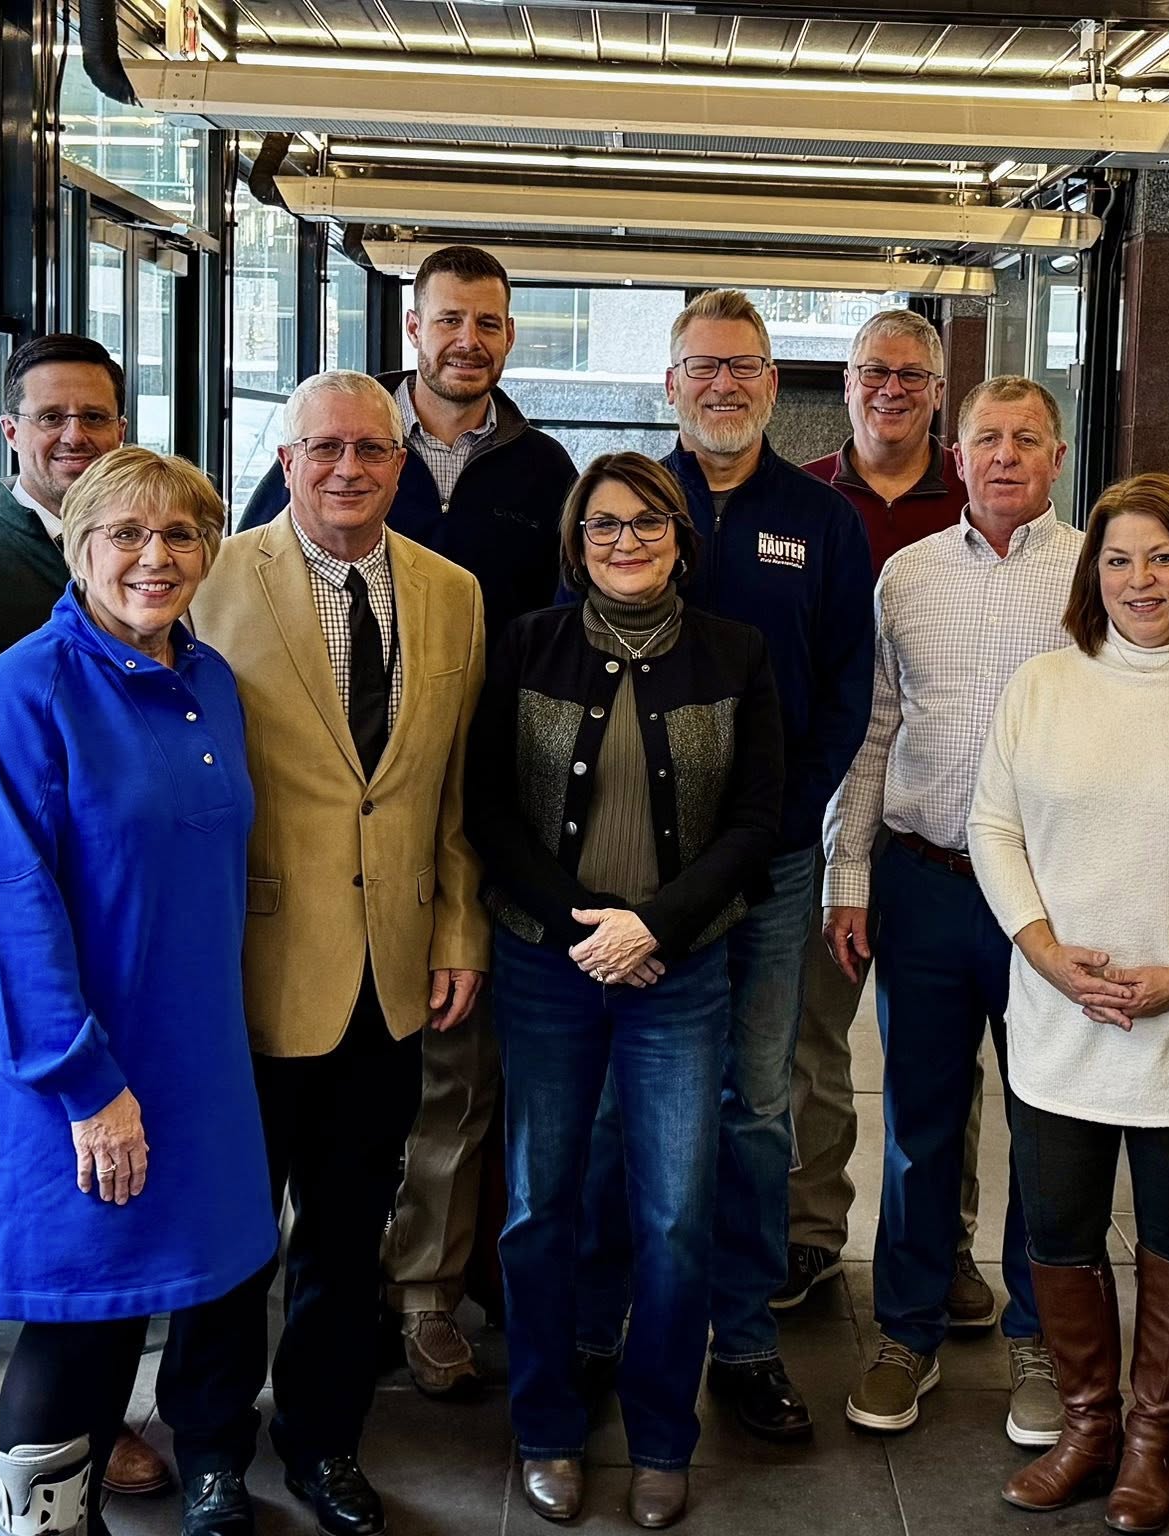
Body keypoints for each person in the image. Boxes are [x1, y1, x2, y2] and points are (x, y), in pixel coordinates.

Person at [247, 246, 576, 1398]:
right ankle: (249, 1375)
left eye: (488, 321)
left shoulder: (535, 480)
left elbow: (538, 660)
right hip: (286, 899)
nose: (466, 340)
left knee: (436, 1109)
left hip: (444, 854)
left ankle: (412, 1312)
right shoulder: (277, 508)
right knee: (277, 1161)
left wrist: (475, 896)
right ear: (413, 331)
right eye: (448, 320)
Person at [186, 370, 490, 1536]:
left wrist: (456, 928)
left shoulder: (452, 593)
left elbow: (451, 792)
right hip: (248, 966)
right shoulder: (211, 579)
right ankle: (211, 1452)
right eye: (323, 449)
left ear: (400, 463)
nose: (348, 469)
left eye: (370, 448)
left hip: (391, 970)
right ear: (285, 461)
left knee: (348, 1231)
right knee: (230, 1229)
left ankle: (322, 1442)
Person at [967, 474, 1169, 1531]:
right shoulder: (1041, 685)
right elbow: (992, 827)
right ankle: (1086, 1429)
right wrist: (1044, 951)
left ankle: (1155, 1444)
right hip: (1057, 1014)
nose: (1139, 579)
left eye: (1163, 557)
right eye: (1117, 559)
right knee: (1058, 1231)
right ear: (1091, 573)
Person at [575, 288, 874, 1443]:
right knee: (619, 1106)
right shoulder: (618, 505)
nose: (722, 384)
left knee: (754, 1106)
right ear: (669, 384)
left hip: (770, 865)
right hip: (633, 873)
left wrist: (776, 825)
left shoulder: (821, 521)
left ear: (773, 383)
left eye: (743, 365)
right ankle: (600, 1326)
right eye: (701, 365)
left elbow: (845, 690)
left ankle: (743, 1340)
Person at [468, 453, 784, 1529]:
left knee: (675, 1216)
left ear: (681, 540)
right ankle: (548, 1429)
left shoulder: (735, 652)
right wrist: (584, 929)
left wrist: (657, 926)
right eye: (603, 525)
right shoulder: (526, 645)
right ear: (575, 543)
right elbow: (487, 811)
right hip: (545, 967)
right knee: (536, 1206)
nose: (625, 542)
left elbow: (756, 819)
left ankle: (660, 1439)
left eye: (648, 523)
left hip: (678, 969)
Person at [0, 333, 174, 1532]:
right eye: (50, 417)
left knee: (86, 1180)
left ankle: (76, 1411)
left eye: (95, 417)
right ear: (10, 429)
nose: (73, 435)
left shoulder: (143, 555)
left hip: (106, 938)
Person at [822, 374, 1078, 1444]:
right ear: (956, 456)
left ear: (1056, 458)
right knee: (919, 1126)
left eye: (1027, 438)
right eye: (987, 439)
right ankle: (906, 1333)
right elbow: (875, 730)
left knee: (1047, 1127)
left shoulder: (1096, 575)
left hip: (1052, 898)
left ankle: (1041, 1339)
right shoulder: (908, 575)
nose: (1005, 455)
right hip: (923, 882)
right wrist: (848, 873)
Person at [784, 309, 991, 1330]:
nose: (891, 389)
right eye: (874, 371)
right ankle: (809, 1230)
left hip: (942, 832)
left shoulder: (983, 495)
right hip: (822, 811)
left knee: (943, 1059)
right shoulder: (803, 499)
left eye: (912, 375)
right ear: (848, 381)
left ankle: (945, 1242)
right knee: (810, 1044)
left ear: (939, 392)